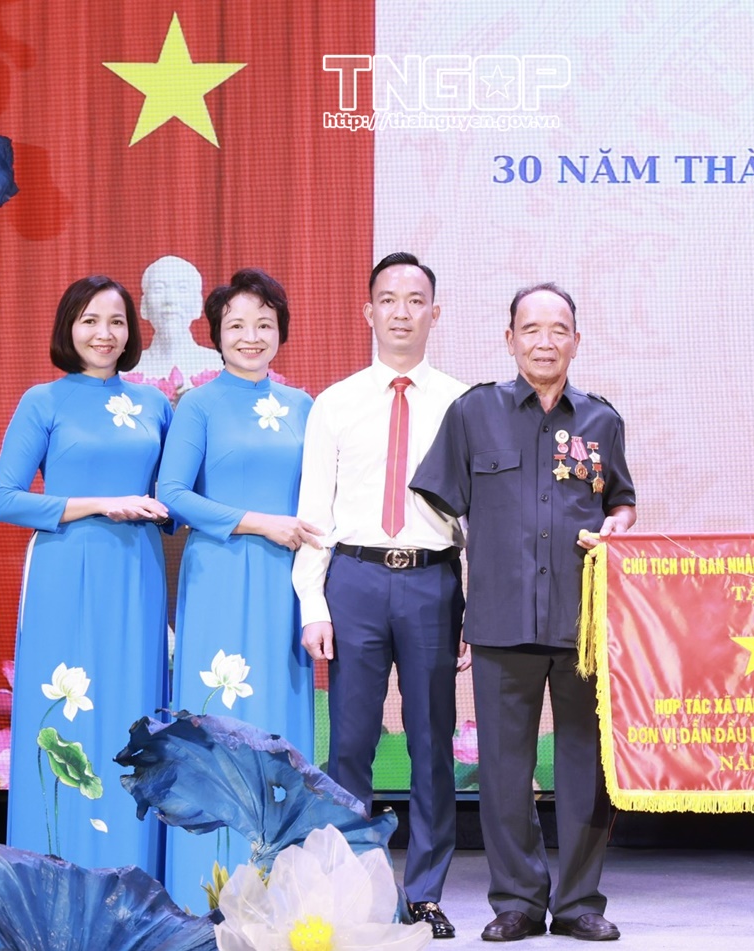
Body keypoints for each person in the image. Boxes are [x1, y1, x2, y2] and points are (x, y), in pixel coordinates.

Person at [412, 283, 637, 943]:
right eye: (531, 329)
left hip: (581, 621)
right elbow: (439, 508)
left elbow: (621, 501)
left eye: (558, 329)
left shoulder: (601, 420)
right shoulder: (472, 412)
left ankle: (579, 902)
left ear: (576, 340)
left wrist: (620, 523)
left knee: (585, 769)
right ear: (509, 339)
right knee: (504, 771)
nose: (545, 341)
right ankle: (516, 900)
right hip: (500, 619)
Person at [293, 252, 468, 939]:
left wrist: (476, 606)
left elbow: (479, 516)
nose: (401, 312)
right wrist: (313, 603)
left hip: (432, 579)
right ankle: (353, 890)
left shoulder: (462, 404)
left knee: (432, 744)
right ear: (368, 311)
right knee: (350, 744)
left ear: (435, 312)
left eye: (415, 300)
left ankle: (424, 893)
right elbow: (314, 511)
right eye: (388, 299)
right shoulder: (334, 403)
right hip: (355, 579)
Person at [0, 275, 173, 873]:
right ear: (68, 327)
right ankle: (49, 872)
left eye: (116, 321)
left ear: (131, 332)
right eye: (90, 320)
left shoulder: (156, 405)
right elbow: (4, 499)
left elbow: (174, 497)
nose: (104, 333)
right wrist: (98, 504)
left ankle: (131, 871)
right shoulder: (43, 401)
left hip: (137, 573)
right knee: (65, 708)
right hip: (64, 571)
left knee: (130, 709)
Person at [156, 268, 317, 907]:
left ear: (281, 331)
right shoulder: (197, 404)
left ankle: (281, 893)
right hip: (218, 577)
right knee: (218, 722)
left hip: (287, 586)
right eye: (236, 325)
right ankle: (203, 889)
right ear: (216, 333)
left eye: (264, 324)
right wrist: (257, 522)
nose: (251, 337)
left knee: (279, 725)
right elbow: (172, 494)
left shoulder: (305, 406)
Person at [137, 255, 223, 387]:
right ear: (143, 306)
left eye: (182, 288)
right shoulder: (129, 369)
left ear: (198, 304)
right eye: (159, 289)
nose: (170, 299)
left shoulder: (219, 366)